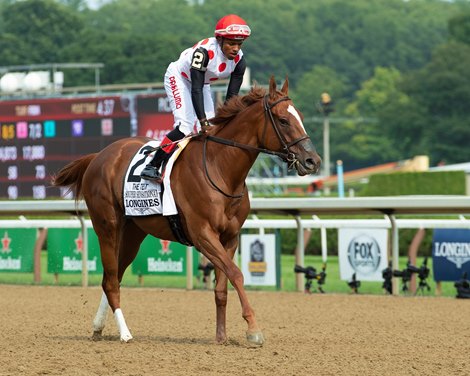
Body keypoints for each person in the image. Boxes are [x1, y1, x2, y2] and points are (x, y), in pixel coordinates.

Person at [140, 14, 251, 181]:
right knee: (185, 126)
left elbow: (231, 97)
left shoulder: (240, 61)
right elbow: (196, 89)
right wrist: (203, 121)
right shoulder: (204, 52)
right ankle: (152, 165)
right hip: (180, 78)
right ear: (219, 40)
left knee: (213, 129)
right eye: (231, 43)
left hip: (201, 83)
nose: (235, 49)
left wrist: (224, 122)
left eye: (239, 44)